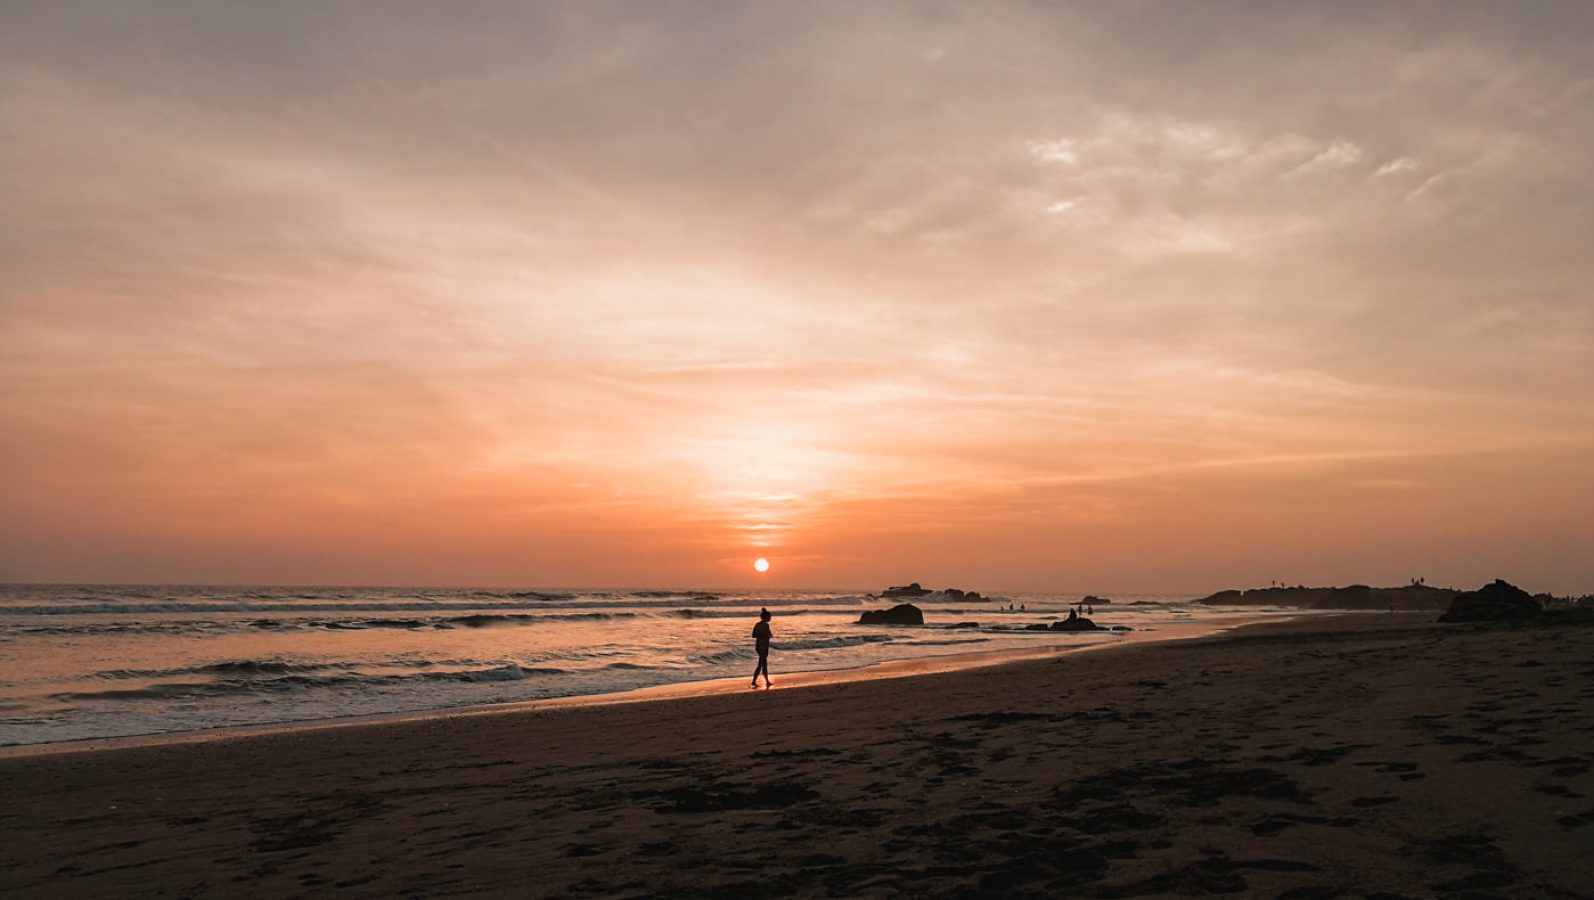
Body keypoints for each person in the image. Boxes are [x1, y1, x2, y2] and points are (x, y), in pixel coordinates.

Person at [751, 608, 773, 689]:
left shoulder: (758, 624)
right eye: (769, 617)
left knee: (763, 664)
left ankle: (767, 681)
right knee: (761, 664)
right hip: (763, 646)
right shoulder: (766, 625)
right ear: (766, 617)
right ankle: (753, 681)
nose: (770, 618)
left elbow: (754, 635)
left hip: (758, 645)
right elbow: (768, 635)